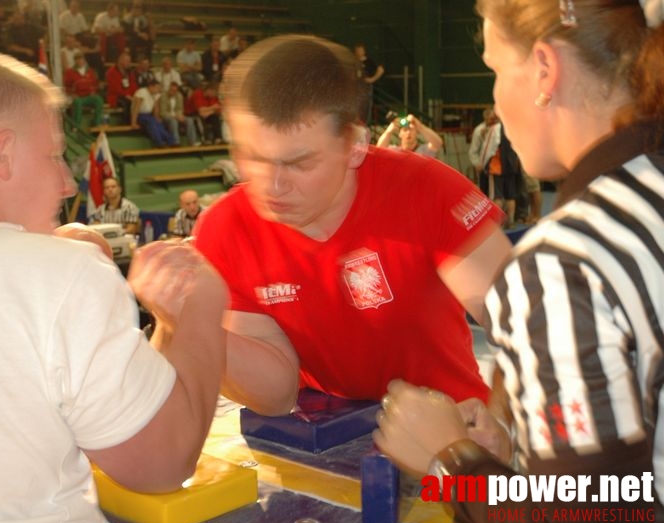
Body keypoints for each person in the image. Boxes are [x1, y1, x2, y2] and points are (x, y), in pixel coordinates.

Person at [0, 47, 229, 523]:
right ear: (2, 154)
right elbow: (161, 464)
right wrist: (199, 306)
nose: (65, 182)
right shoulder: (59, 272)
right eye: (55, 156)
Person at [375, 1, 664, 523]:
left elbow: (596, 519)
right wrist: (516, 454)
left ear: (544, 71)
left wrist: (451, 460)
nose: (495, 99)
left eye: (494, 71)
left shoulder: (566, 262)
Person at [193, 35, 512, 417]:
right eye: (254, 158)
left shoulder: (427, 189)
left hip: (452, 432)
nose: (272, 185)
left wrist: (501, 426)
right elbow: (276, 395)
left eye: (299, 163)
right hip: (322, 446)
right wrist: (185, 318)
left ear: (355, 145)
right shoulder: (226, 228)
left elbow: (536, 333)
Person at [131, 79, 178, 148]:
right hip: (140, 115)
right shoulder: (141, 92)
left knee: (159, 124)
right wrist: (133, 123)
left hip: (149, 115)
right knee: (151, 123)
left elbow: (156, 108)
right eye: (157, 88)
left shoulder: (156, 95)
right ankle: (159, 143)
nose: (158, 90)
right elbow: (136, 109)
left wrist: (157, 118)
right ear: (151, 87)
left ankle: (171, 141)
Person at [63, 51, 104, 130]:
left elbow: (95, 84)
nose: (79, 61)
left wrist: (94, 91)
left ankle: (96, 123)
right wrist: (72, 94)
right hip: (77, 97)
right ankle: (76, 126)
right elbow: (67, 86)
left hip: (88, 96)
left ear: (84, 60)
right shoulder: (69, 72)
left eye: (81, 59)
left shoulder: (90, 71)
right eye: (77, 59)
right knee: (77, 102)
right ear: (75, 61)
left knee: (99, 100)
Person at [376, 113, 444, 157]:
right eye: (405, 130)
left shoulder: (424, 151)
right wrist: (388, 132)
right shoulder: (395, 151)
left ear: (417, 132)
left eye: (411, 129)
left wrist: (420, 126)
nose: (408, 132)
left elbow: (438, 143)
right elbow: (379, 150)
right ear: (400, 134)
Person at [159, 81, 198, 147]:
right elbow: (163, 112)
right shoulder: (163, 96)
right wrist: (175, 116)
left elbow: (180, 108)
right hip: (166, 117)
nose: (173, 92)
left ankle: (192, 142)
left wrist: (179, 115)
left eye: (175, 90)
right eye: (171, 90)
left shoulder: (179, 95)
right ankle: (176, 142)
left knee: (189, 120)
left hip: (176, 115)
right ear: (169, 88)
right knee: (173, 121)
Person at [353, 42, 384, 125]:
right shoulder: (353, 62)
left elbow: (380, 70)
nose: (359, 52)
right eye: (357, 50)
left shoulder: (369, 62)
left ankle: (366, 122)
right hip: (355, 87)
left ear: (364, 51)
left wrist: (372, 79)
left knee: (366, 104)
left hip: (366, 87)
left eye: (360, 50)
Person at [105, 50, 138, 123]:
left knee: (138, 100)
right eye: (127, 61)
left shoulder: (130, 72)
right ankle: (127, 123)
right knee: (128, 102)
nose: (129, 63)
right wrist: (127, 96)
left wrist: (135, 95)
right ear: (120, 61)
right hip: (115, 96)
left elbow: (133, 85)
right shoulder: (111, 72)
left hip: (129, 96)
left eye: (129, 61)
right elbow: (115, 88)